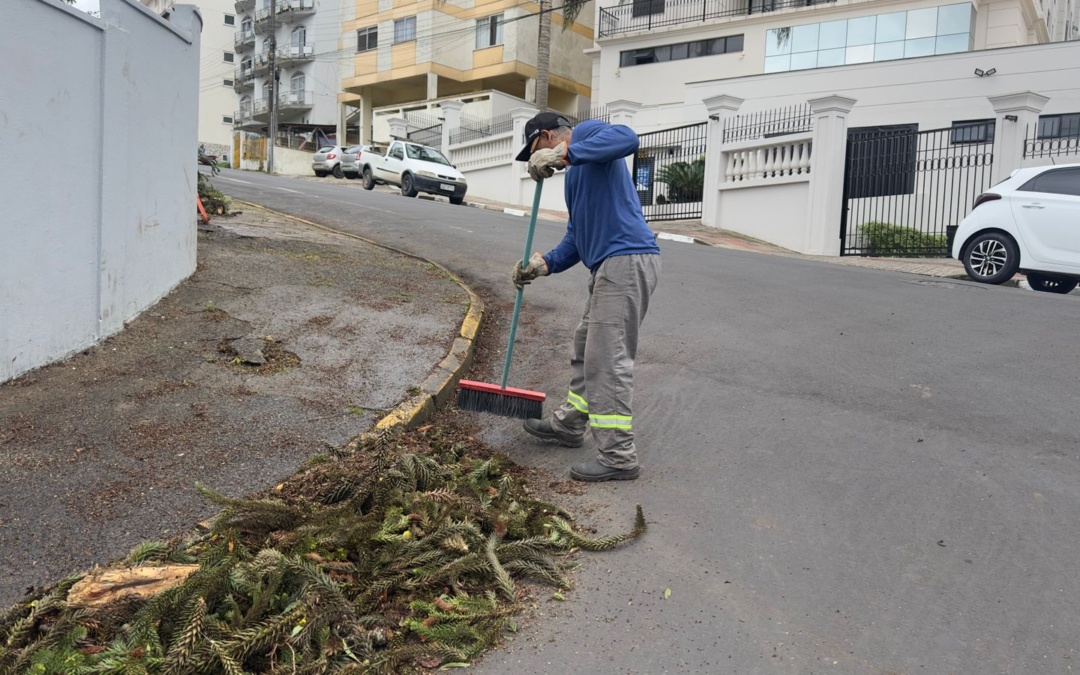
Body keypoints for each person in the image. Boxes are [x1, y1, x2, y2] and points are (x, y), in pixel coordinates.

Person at [512, 112, 661, 482]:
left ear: (547, 136)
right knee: (585, 347)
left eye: (535, 150)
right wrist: (542, 264)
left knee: (606, 359)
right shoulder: (574, 177)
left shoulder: (587, 135)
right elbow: (577, 237)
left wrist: (563, 154)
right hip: (607, 266)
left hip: (626, 259)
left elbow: (627, 138)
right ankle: (570, 424)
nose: (536, 162)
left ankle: (618, 456)